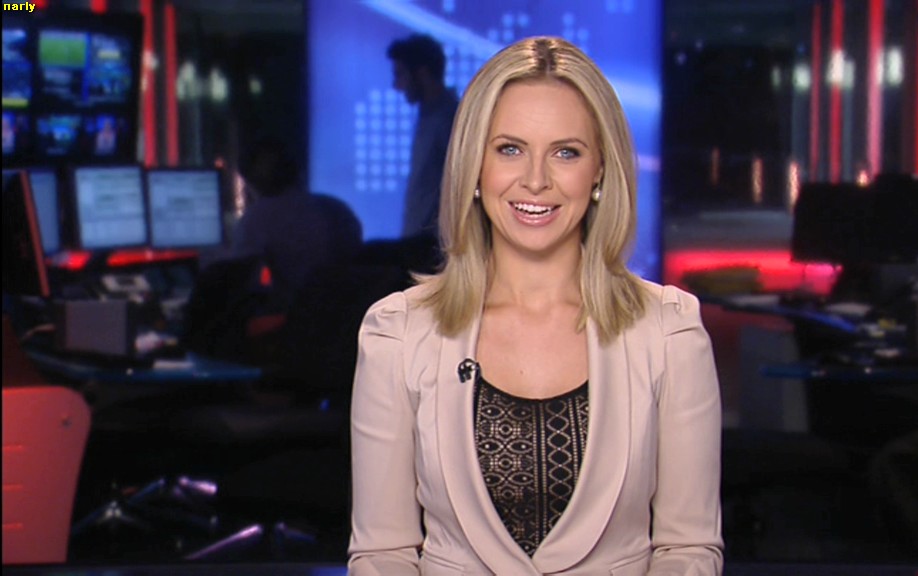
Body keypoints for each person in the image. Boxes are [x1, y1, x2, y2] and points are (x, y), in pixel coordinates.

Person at [349, 37, 723, 574]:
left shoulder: (669, 332)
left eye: (566, 152)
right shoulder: (398, 333)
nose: (536, 180)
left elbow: (688, 550)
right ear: (475, 165)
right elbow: (382, 554)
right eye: (510, 149)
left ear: (599, 170)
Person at [231, 135, 363, 304]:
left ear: (250, 181)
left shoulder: (257, 218)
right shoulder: (337, 208)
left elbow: (240, 278)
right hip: (345, 311)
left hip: (295, 314)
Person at [387, 34, 460, 252]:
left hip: (435, 250)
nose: (396, 85)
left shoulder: (450, 120)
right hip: (420, 246)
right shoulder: (429, 117)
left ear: (422, 73)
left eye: (400, 74)